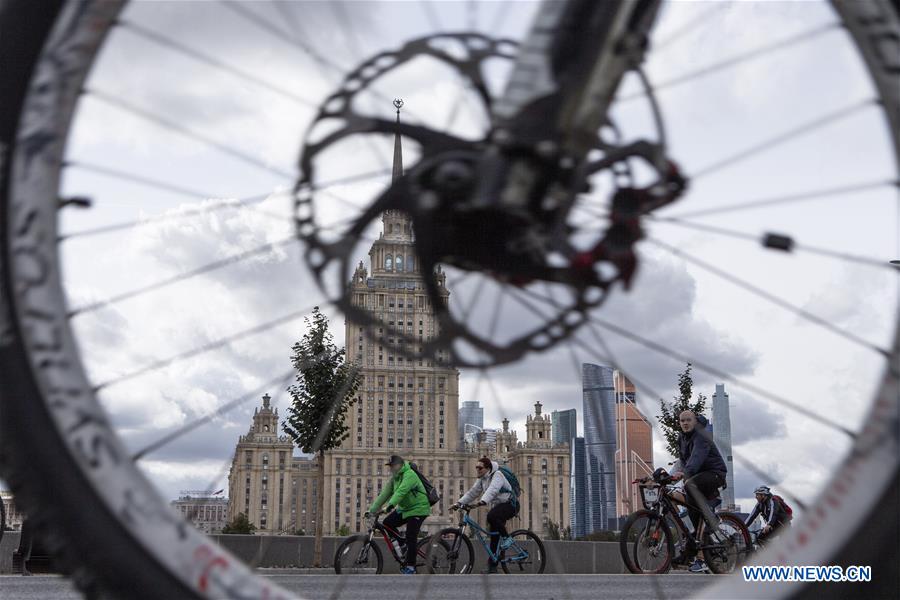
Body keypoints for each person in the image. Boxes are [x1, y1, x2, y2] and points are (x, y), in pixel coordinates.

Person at [670, 410, 728, 573]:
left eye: (688, 420)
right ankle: (692, 549)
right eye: (682, 421)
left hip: (714, 474)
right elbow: (682, 461)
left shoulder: (701, 436)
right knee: (686, 503)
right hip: (696, 477)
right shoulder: (681, 438)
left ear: (695, 421)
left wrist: (684, 474)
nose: (685, 423)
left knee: (689, 485)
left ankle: (709, 520)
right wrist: (663, 477)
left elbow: (696, 458)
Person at [366, 455, 431, 574]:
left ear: (400, 465)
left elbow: (401, 492)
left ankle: (411, 567)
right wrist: (372, 510)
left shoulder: (409, 474)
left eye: (393, 466)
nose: (391, 469)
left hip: (419, 508)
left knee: (411, 537)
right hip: (405, 509)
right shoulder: (394, 479)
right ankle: (402, 543)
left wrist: (390, 506)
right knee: (387, 523)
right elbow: (384, 494)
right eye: (390, 466)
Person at [450, 457, 516, 574]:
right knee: (494, 535)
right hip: (499, 506)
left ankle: (507, 539)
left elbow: (493, 490)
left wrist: (483, 501)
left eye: (480, 468)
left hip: (510, 504)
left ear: (488, 468)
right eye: (476, 467)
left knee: (491, 516)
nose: (478, 470)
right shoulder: (482, 479)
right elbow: (472, 492)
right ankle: (493, 566)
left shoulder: (497, 475)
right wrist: (459, 503)